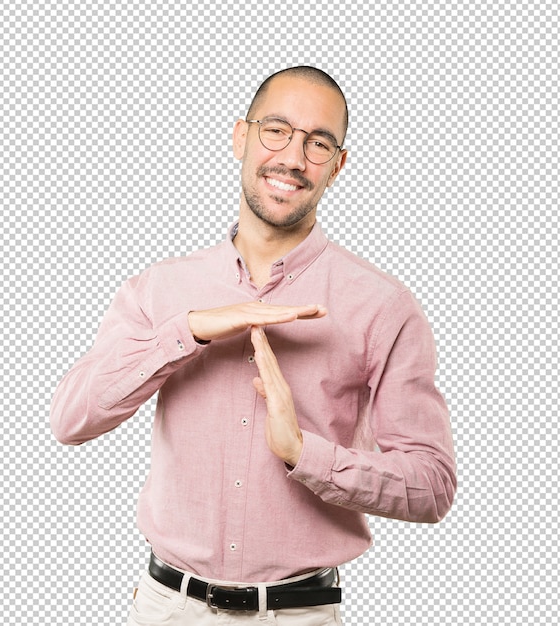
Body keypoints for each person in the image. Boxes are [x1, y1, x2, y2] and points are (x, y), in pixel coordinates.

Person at [50, 66, 456, 625]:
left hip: (298, 614)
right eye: (276, 131)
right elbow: (71, 419)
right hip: (168, 609)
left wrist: (304, 453)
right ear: (240, 136)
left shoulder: (383, 307)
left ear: (338, 166)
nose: (293, 157)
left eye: (319, 143)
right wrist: (187, 330)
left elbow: (431, 486)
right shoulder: (159, 289)